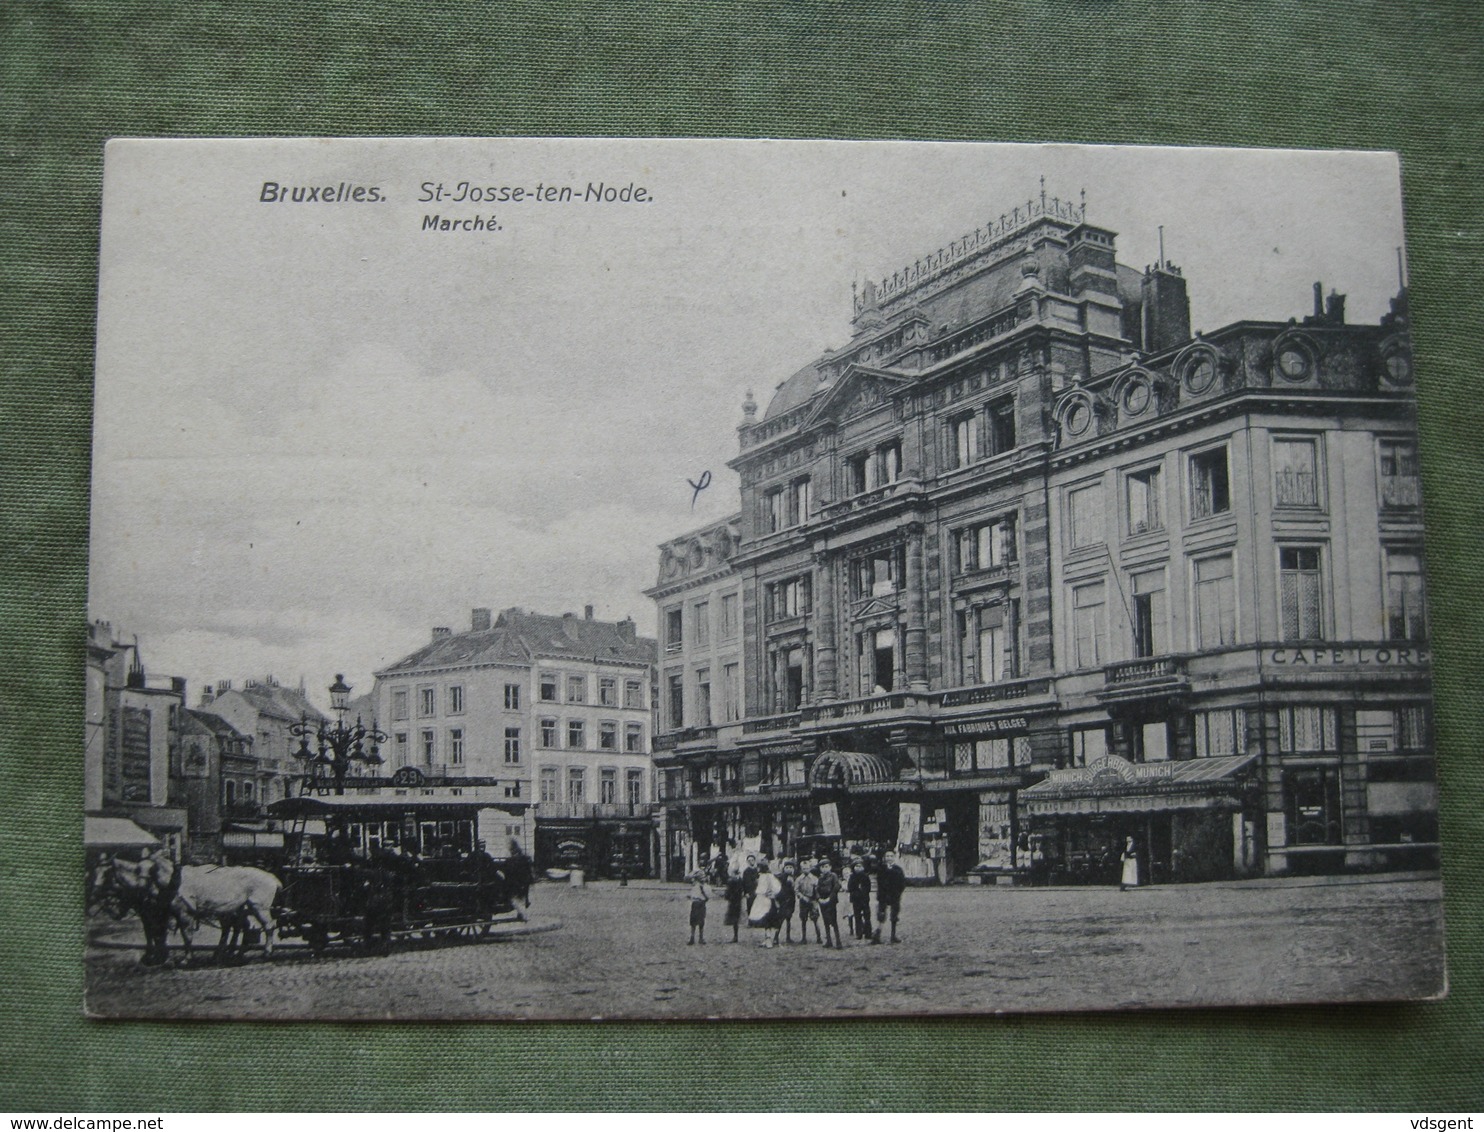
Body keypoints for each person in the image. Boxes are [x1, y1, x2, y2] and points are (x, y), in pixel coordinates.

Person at [873, 849, 906, 943]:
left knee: (894, 915)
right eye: (887, 856)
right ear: (884, 858)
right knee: (881, 914)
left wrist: (898, 892)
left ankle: (893, 935)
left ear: (894, 858)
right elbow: (880, 882)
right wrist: (881, 894)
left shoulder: (898, 870)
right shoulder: (881, 869)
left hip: (894, 895)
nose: (889, 858)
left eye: (891, 856)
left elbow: (902, 883)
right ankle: (877, 935)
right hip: (883, 895)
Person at [815, 858, 843, 950]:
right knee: (825, 921)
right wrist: (819, 899)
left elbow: (836, 887)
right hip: (822, 902)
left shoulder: (833, 876)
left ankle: (838, 941)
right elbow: (817, 889)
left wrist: (829, 898)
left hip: (831, 901)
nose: (824, 869)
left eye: (826, 867)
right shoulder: (820, 878)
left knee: (833, 921)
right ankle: (829, 941)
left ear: (830, 867)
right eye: (822, 867)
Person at [794, 859, 820, 944]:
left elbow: (817, 889)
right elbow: (796, 890)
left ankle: (819, 937)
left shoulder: (814, 878)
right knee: (803, 919)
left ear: (810, 868)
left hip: (812, 900)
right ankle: (804, 938)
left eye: (807, 868)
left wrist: (816, 899)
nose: (805, 870)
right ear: (801, 869)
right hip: (803, 901)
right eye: (803, 868)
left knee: (815, 919)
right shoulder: (799, 879)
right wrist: (802, 897)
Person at [772, 861, 797, 946]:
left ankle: (788, 937)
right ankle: (775, 937)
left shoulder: (793, 877)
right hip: (783, 900)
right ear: (784, 868)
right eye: (787, 868)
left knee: (789, 919)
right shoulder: (782, 877)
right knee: (780, 920)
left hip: (791, 901)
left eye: (790, 868)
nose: (789, 869)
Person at [847, 858, 872, 941]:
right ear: (853, 867)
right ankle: (859, 933)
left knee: (867, 916)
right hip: (855, 899)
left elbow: (868, 888)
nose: (858, 868)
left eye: (860, 866)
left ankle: (868, 933)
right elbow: (850, 888)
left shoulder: (865, 876)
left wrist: (863, 892)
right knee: (857, 917)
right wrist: (856, 893)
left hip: (864, 899)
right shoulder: (852, 877)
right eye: (856, 866)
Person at [687, 869, 711, 944]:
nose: (703, 879)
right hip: (696, 903)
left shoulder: (705, 887)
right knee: (694, 922)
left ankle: (700, 938)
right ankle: (693, 938)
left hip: (700, 903)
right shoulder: (695, 885)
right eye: (701, 878)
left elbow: (707, 897)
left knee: (701, 922)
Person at [723, 866, 744, 943]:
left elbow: (728, 892)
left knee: (734, 918)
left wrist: (727, 896)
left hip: (733, 902)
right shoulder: (740, 880)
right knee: (736, 919)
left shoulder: (731, 881)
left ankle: (735, 936)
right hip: (738, 901)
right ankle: (736, 935)